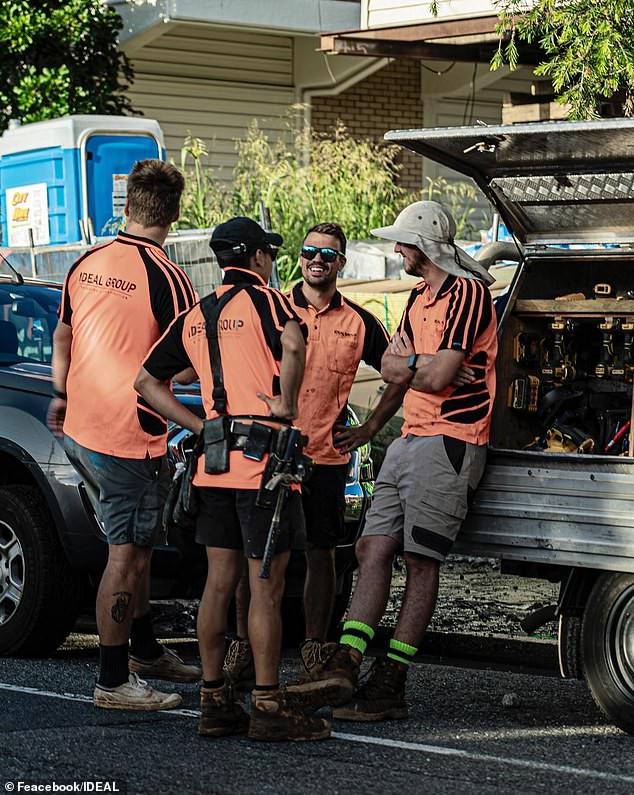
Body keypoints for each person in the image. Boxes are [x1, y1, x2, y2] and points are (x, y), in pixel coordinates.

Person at [289, 200, 498, 719]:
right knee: (371, 549)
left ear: (423, 246)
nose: (396, 250)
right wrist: (420, 363)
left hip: (451, 438)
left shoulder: (467, 293)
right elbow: (393, 367)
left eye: (401, 242)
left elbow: (433, 377)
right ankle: (345, 664)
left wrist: (420, 366)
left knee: (421, 561)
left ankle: (390, 684)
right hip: (410, 438)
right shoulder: (418, 298)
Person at [134, 216, 331, 742]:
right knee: (266, 587)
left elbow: (148, 381)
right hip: (264, 470)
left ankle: (214, 701)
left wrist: (200, 425)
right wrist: (286, 402)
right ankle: (267, 703)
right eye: (267, 250)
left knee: (217, 585)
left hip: (212, 467)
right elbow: (293, 343)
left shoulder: (196, 313)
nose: (271, 259)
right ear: (255, 257)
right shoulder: (268, 301)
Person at [223, 222, 406, 692]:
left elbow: (399, 374)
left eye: (328, 253)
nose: (317, 259)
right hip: (270, 456)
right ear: (300, 258)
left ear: (342, 262)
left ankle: (313, 651)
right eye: (309, 251)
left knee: (321, 554)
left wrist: (369, 428)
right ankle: (243, 648)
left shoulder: (361, 322)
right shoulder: (273, 309)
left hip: (324, 457)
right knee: (257, 554)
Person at [48, 159, 200, 711]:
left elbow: (63, 335)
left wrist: (62, 394)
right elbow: (186, 365)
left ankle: (143, 649)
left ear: (128, 206)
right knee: (128, 554)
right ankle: (112, 681)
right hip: (129, 434)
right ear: (174, 213)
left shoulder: (85, 263)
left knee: (133, 547)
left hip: (83, 427)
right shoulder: (169, 276)